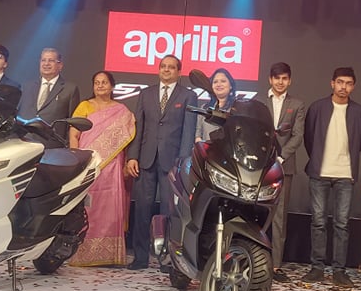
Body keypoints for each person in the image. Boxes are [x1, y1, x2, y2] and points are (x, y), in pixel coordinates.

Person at [125, 55, 198, 270]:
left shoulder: (188, 96)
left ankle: (167, 259)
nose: (166, 70)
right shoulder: (145, 94)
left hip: (172, 163)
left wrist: (182, 162)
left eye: (171, 67)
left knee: (169, 212)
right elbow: (138, 128)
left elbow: (188, 132)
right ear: (158, 70)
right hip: (145, 160)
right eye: (163, 66)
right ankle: (140, 257)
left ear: (179, 72)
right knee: (142, 210)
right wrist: (132, 156)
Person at [302, 66, 361, 287]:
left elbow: (359, 142)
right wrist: (318, 159)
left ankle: (339, 270)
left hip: (345, 175)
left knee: (342, 224)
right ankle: (317, 267)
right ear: (332, 83)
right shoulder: (317, 107)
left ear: (353, 86)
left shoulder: (359, 112)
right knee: (318, 222)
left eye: (348, 83)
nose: (343, 87)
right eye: (340, 82)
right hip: (319, 172)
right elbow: (309, 138)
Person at [67, 71, 136, 267]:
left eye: (104, 82)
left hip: (112, 166)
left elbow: (126, 141)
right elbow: (74, 134)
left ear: (112, 86)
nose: (100, 86)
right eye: (96, 82)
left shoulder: (122, 111)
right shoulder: (84, 106)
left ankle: (110, 255)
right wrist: (77, 160)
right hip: (88, 164)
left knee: (110, 208)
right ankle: (83, 253)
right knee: (89, 207)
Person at [259, 62, 306, 283]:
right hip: (259, 167)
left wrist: (280, 157)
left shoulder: (297, 104)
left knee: (279, 218)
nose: (280, 82)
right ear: (270, 79)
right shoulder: (259, 101)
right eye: (277, 78)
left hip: (284, 167)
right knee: (255, 214)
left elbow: (297, 135)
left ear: (290, 81)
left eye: (284, 78)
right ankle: (253, 260)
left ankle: (276, 265)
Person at [19, 47, 80, 145]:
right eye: (43, 60)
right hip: (25, 143)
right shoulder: (26, 87)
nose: (46, 64)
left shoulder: (70, 89)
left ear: (60, 65)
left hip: (52, 146)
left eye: (51, 60)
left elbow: (72, 122)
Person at [194, 67, 237, 142]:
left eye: (223, 81)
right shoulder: (204, 108)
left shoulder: (237, 107)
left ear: (231, 85)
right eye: (215, 82)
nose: (219, 84)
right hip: (208, 148)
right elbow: (198, 133)